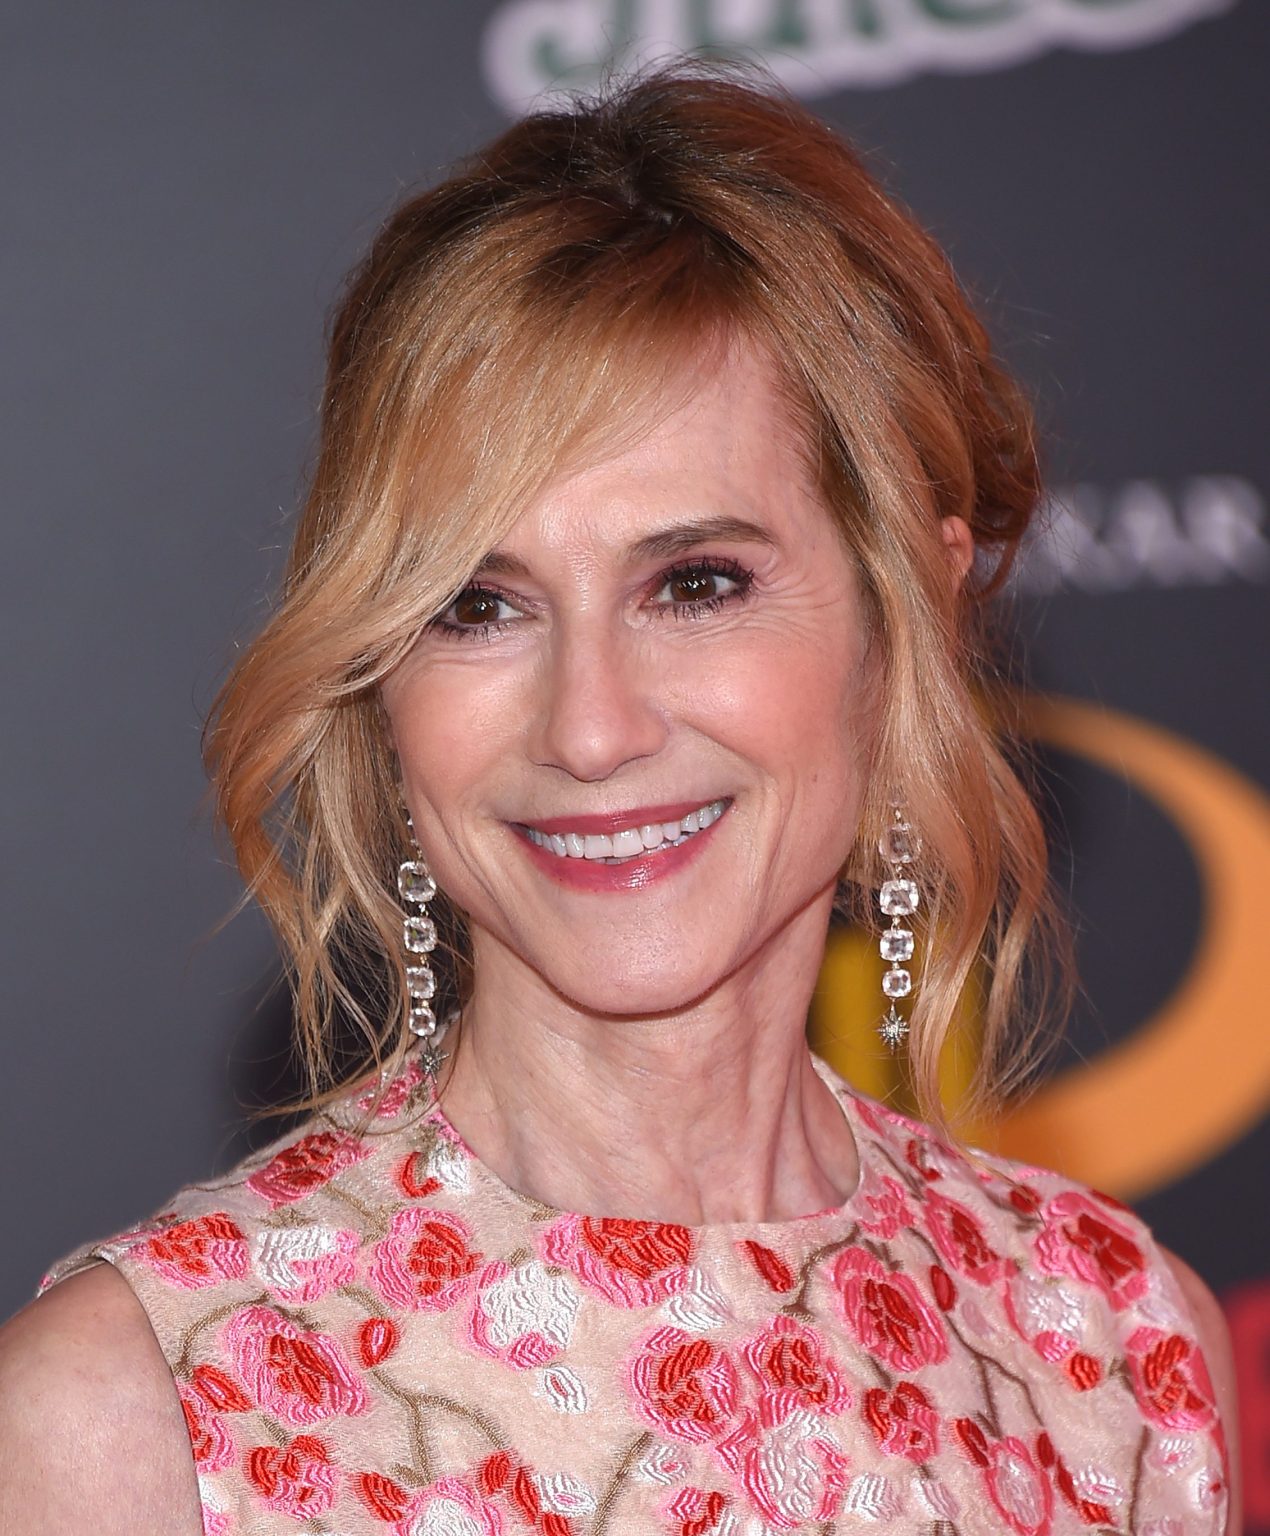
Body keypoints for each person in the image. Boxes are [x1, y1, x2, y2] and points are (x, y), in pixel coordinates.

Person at [0, 65, 1238, 1536]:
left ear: (908, 612)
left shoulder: (1116, 1353)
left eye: (695, 584)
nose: (590, 728)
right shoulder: (131, 1417)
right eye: (477, 606)